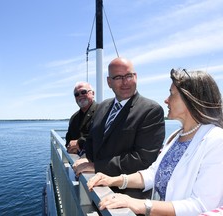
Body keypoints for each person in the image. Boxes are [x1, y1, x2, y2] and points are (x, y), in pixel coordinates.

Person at [87, 69, 223, 216]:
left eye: (171, 93)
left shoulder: (216, 141)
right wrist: (113, 180)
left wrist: (140, 204)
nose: (166, 100)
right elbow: (153, 174)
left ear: (190, 99)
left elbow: (201, 205)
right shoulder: (176, 136)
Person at [73, 57, 165, 199]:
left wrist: (97, 166)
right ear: (109, 82)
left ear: (136, 77)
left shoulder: (151, 110)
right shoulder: (103, 107)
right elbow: (93, 139)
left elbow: (143, 158)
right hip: (96, 190)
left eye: (129, 76)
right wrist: (86, 157)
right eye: (118, 77)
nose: (125, 82)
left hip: (127, 198)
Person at [65, 81, 98, 156]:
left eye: (83, 92)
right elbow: (68, 139)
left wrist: (79, 143)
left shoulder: (102, 111)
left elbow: (101, 135)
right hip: (77, 161)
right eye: (76, 94)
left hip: (97, 163)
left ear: (93, 93)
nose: (80, 96)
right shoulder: (74, 118)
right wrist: (70, 147)